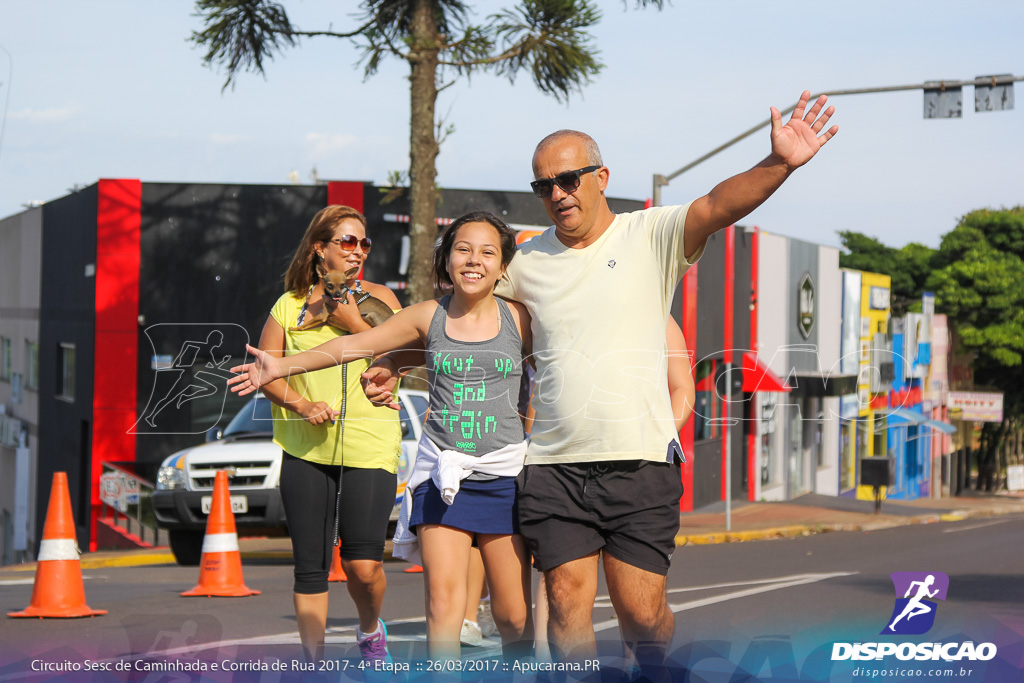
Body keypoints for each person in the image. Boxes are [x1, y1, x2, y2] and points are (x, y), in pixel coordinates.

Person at [363, 90, 837, 678]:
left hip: (639, 464)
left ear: (602, 176)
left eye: (568, 179)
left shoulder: (651, 235)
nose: (558, 194)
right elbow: (465, 318)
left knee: (642, 615)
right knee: (564, 602)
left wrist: (781, 164)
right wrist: (399, 360)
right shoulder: (526, 263)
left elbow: (718, 205)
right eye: (544, 186)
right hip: (553, 467)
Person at [229, 211, 535, 662]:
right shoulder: (426, 315)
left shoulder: (520, 320)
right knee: (442, 609)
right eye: (463, 250)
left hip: (503, 473)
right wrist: (282, 366)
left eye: (487, 252)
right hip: (442, 472)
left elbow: (561, 362)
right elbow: (356, 347)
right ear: (447, 259)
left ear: (503, 266)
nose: (474, 261)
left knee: (513, 618)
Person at [253, 205, 403, 665]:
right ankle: (312, 665)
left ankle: (370, 628)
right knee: (311, 568)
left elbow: (403, 359)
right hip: (305, 447)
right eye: (347, 241)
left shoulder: (383, 301)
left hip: (370, 444)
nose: (358, 251)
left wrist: (353, 324)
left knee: (362, 565)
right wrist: (301, 403)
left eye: (364, 243)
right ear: (321, 249)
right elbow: (267, 372)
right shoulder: (289, 306)